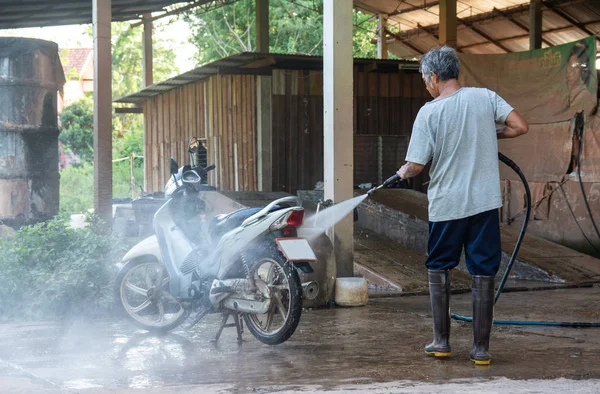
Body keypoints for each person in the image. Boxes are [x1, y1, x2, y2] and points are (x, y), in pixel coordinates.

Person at [396, 46, 528, 365]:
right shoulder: (485, 97)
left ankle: (442, 342)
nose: (426, 85)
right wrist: (486, 132)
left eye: (426, 79)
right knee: (483, 270)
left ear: (434, 77)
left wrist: (400, 173)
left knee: (439, 266)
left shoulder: (429, 112)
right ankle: (480, 350)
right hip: (484, 204)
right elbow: (520, 126)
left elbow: (416, 165)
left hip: (447, 206)